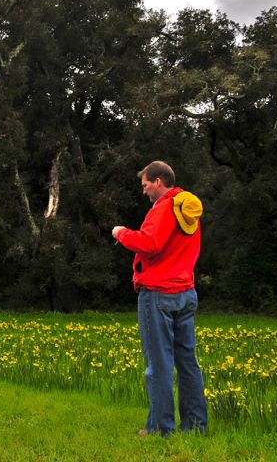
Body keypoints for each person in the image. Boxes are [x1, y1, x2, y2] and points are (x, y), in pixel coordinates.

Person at [111, 160, 208, 436]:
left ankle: (160, 429)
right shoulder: (188, 208)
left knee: (159, 364)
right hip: (185, 292)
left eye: (145, 186)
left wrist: (122, 233)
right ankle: (196, 426)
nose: (144, 192)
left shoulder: (164, 207)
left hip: (158, 294)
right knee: (188, 362)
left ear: (158, 182)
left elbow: (149, 243)